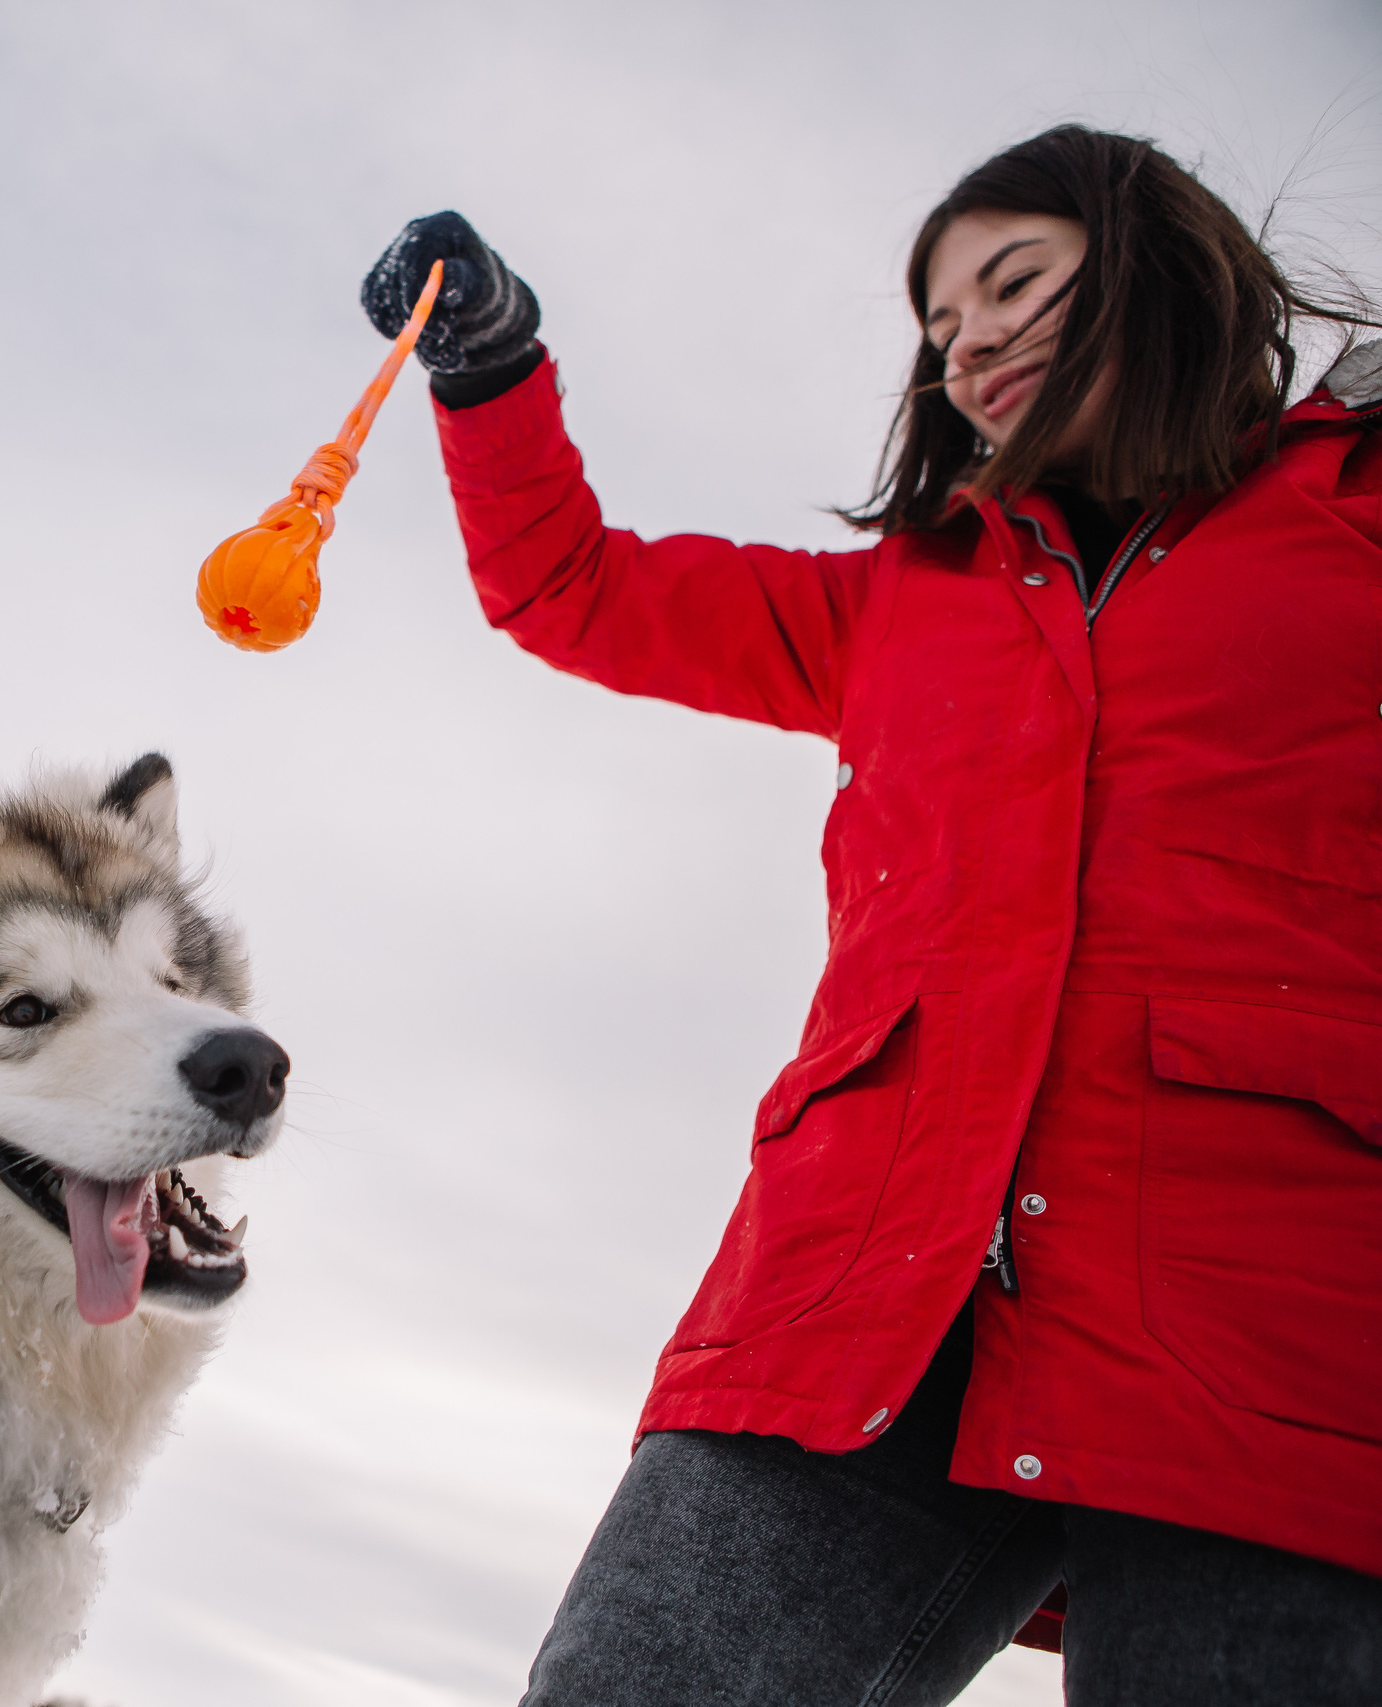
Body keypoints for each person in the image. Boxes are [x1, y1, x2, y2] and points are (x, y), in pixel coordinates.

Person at [361, 125, 1382, 1706]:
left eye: (1012, 283)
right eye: (939, 323)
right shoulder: (904, 601)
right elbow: (574, 590)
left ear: (1161, 265)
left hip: (1273, 1328)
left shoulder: (1356, 523)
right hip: (863, 1297)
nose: (966, 341)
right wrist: (493, 371)